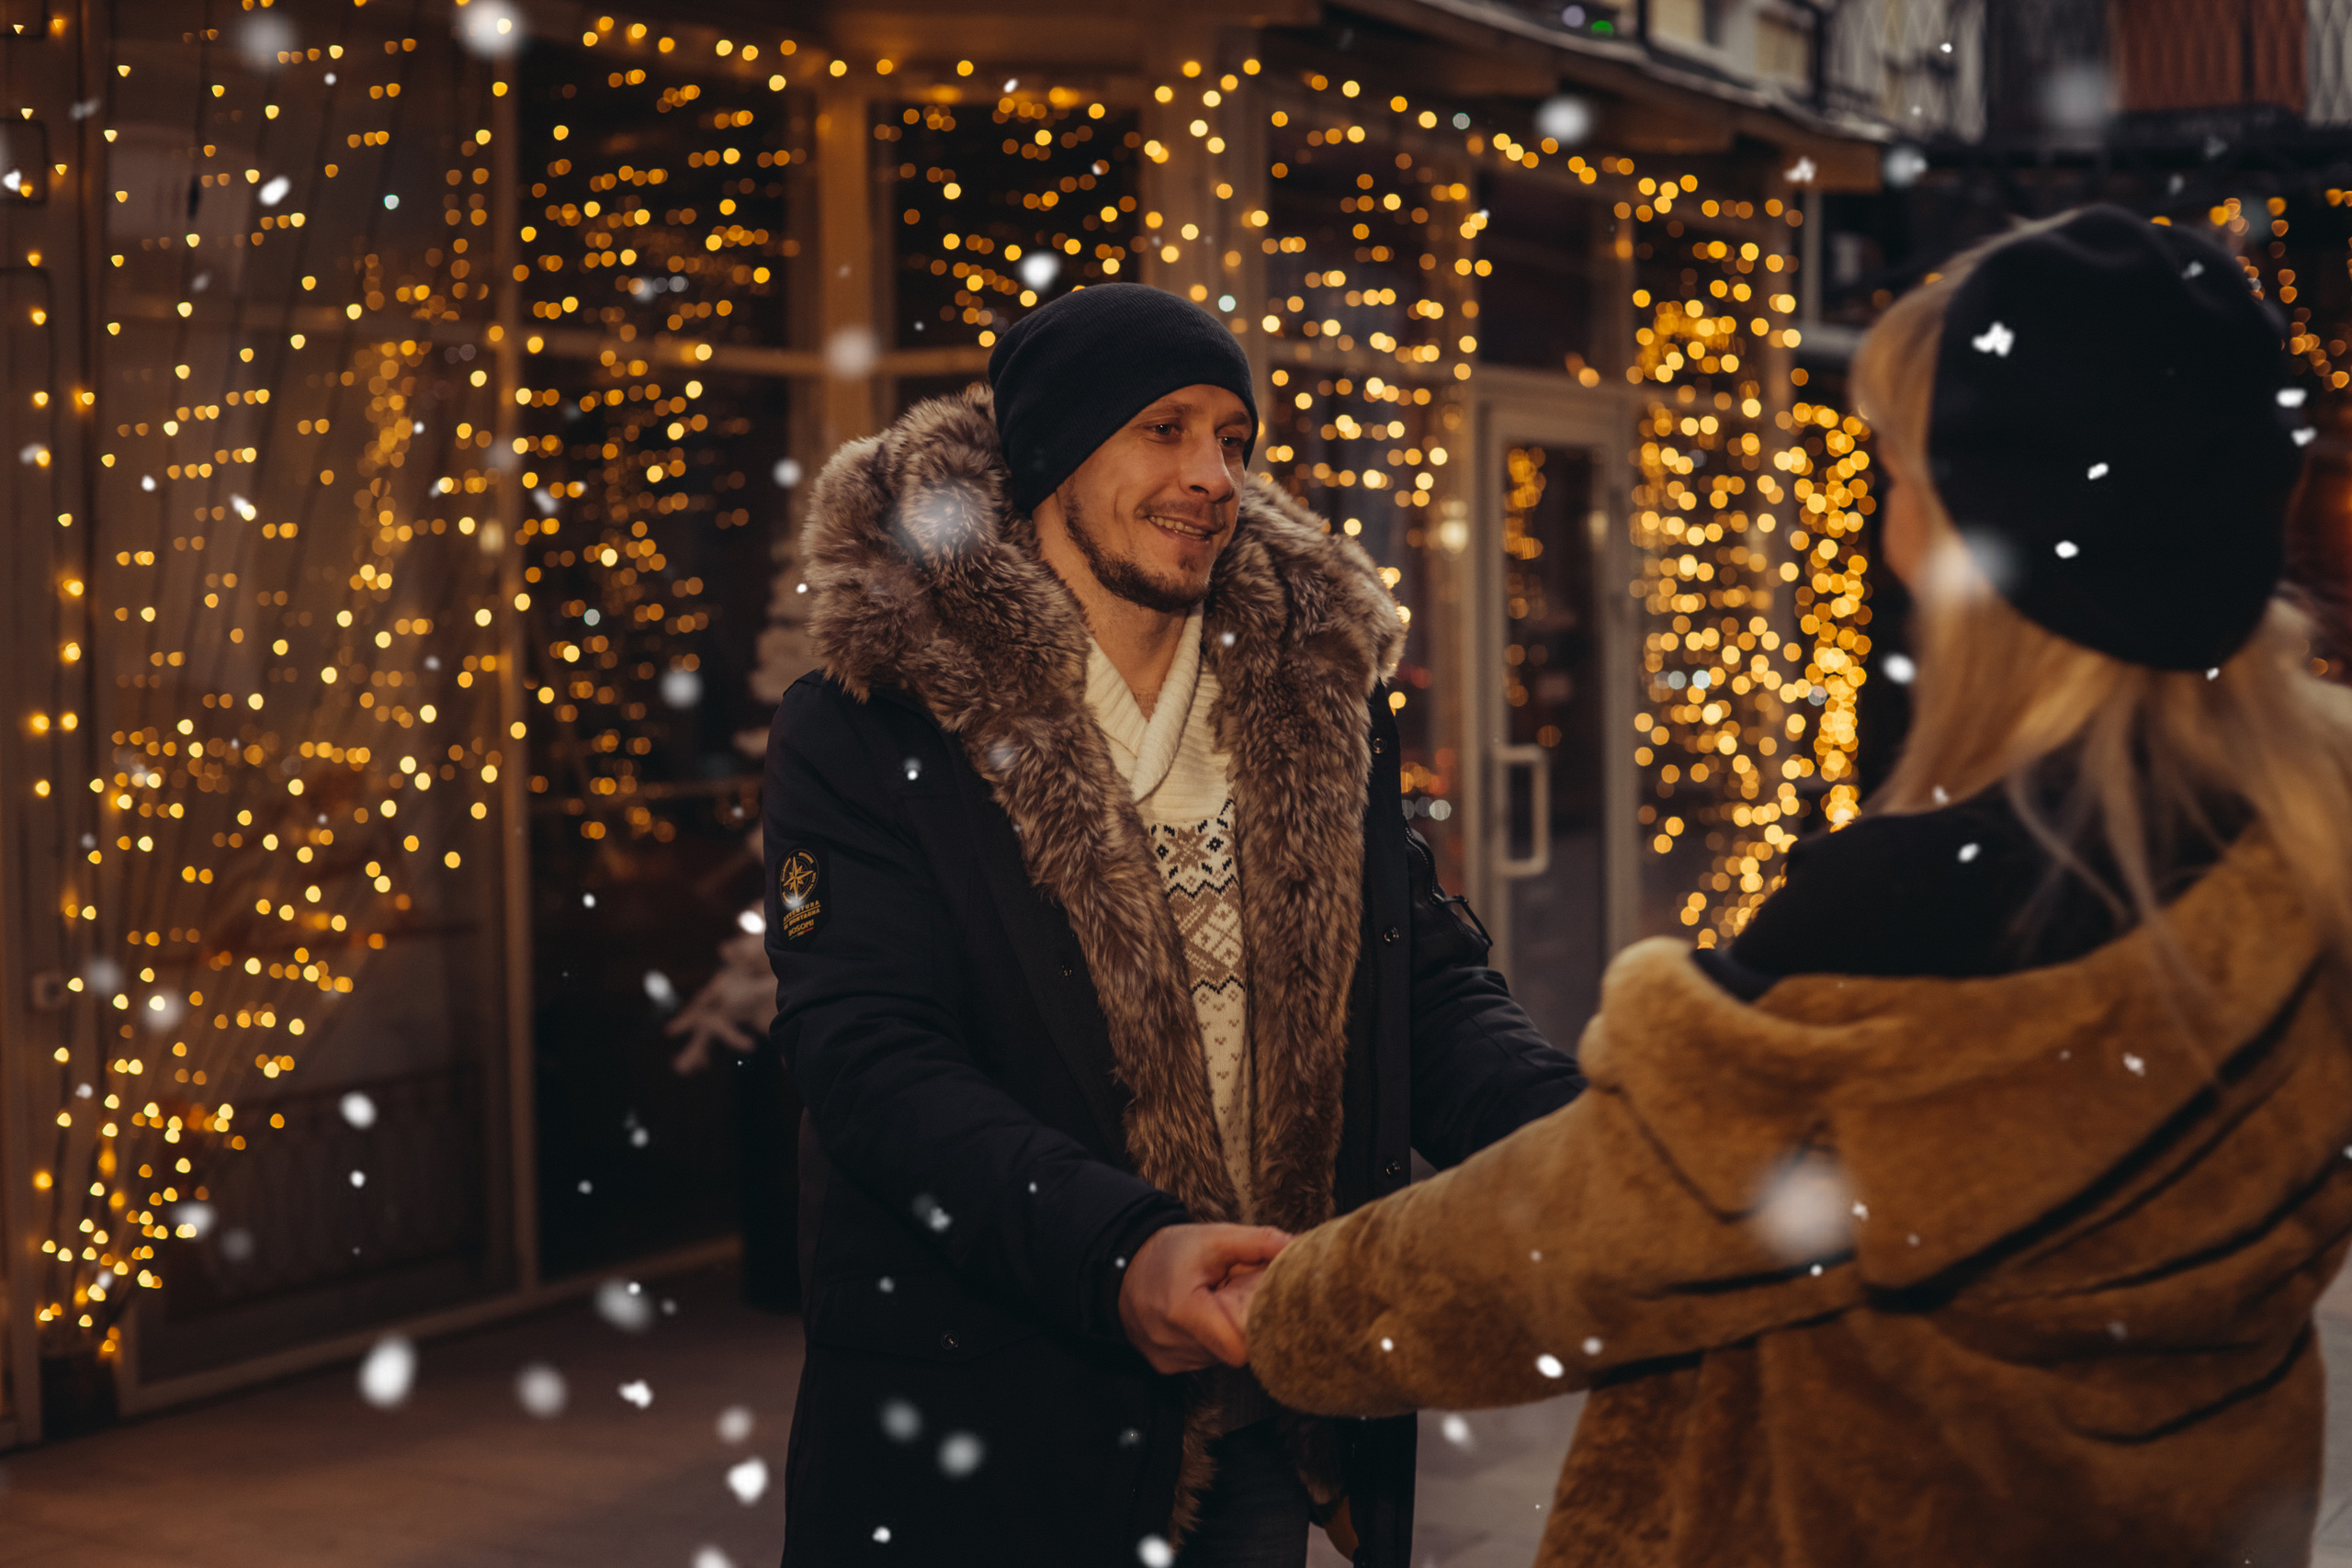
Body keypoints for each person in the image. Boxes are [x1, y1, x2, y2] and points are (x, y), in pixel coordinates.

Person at [1235, 205, 2352, 1568]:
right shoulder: (2301, 831)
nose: (1888, 539)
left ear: (1995, 536)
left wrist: (1275, 1308)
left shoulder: (1925, 922)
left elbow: (1574, 1244)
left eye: (1902, 480)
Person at [762, 282, 1582, 1566]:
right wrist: (1118, 1249)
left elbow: (1416, 988)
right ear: (1051, 459)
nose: (1213, 477)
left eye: (1234, 440)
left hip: (1253, 1415)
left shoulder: (1312, 701)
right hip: (986, 1411)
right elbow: (871, 1057)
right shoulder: (875, 722)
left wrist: (1579, 1137)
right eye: (1164, 428)